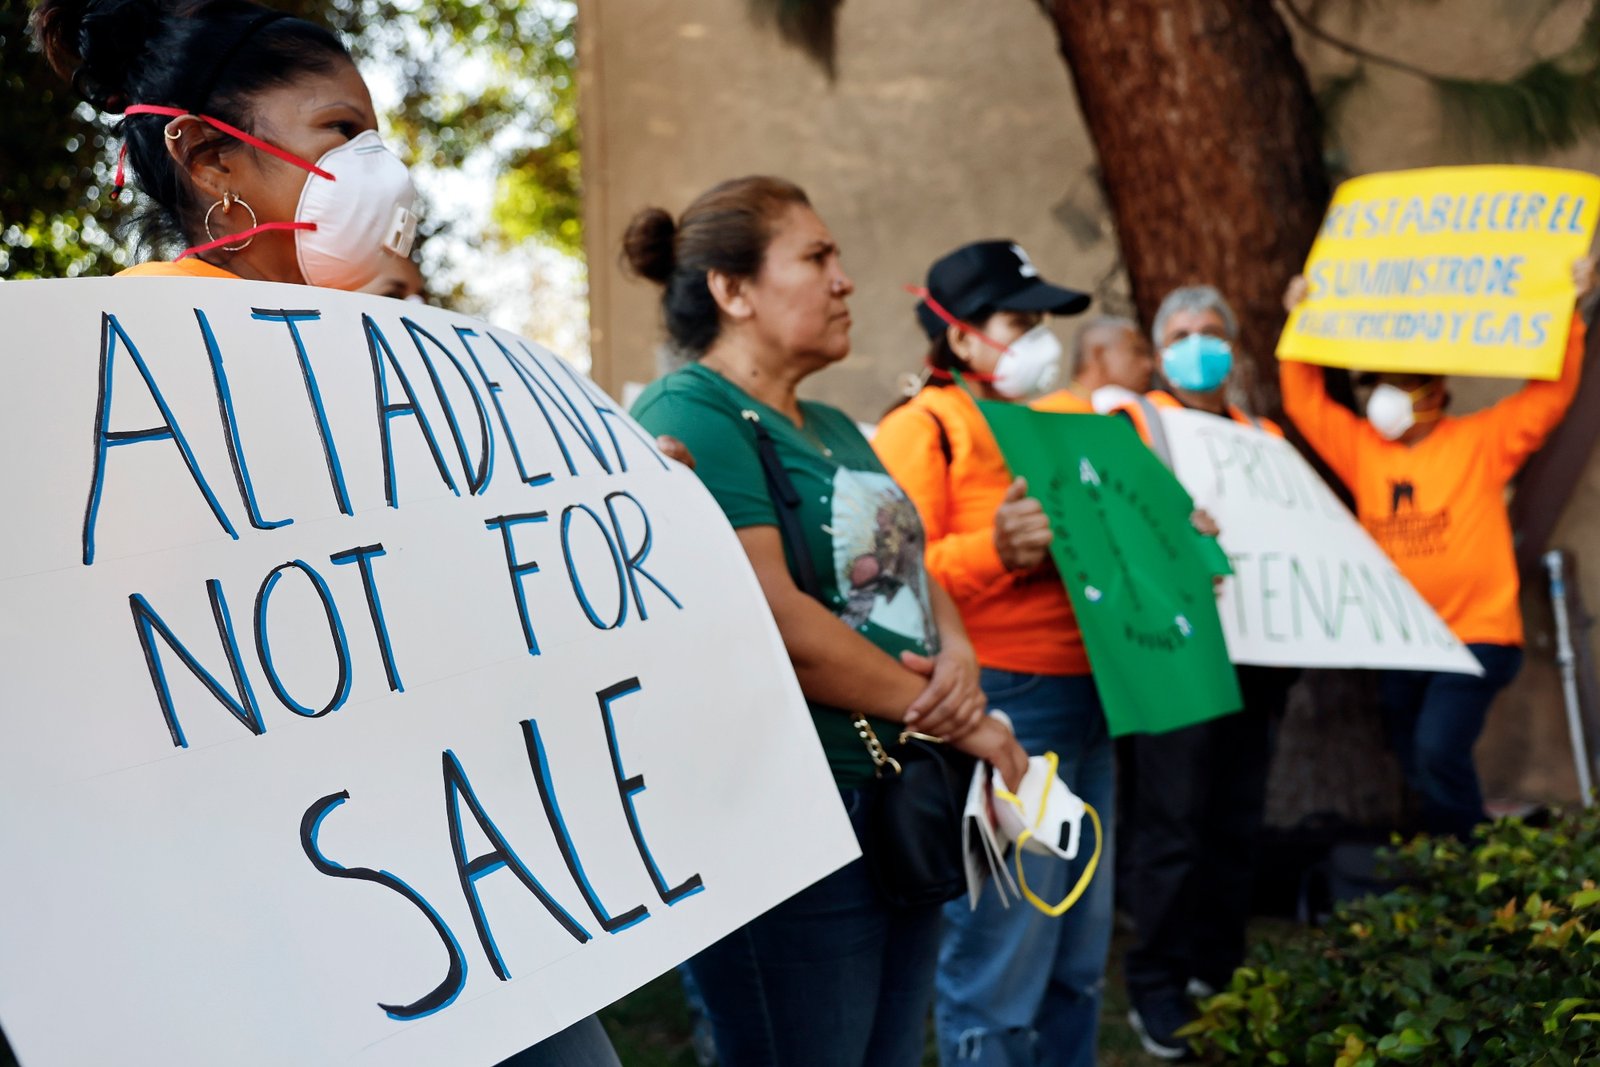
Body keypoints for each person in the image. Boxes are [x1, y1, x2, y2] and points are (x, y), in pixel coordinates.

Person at [32, 4, 629, 1062]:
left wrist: (619, 492)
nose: (380, 169)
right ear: (209, 155)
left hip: (480, 887)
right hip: (301, 925)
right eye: (342, 132)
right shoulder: (127, 362)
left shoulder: (385, 351)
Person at [626, 179, 1028, 1067]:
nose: (845, 280)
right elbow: (775, 622)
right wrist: (963, 718)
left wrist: (958, 650)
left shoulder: (840, 424)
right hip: (791, 810)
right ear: (733, 291)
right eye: (816, 258)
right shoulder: (690, 411)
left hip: (895, 791)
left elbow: (912, 565)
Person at [873, 240, 1114, 1067]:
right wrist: (994, 551)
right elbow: (884, 576)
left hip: (1096, 698)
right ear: (961, 334)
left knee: (1076, 952)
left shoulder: (1073, 417)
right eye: (1020, 320)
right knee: (1004, 955)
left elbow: (1124, 533)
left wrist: (1181, 549)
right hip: (1008, 704)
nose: (1040, 338)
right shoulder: (925, 427)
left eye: (1043, 320)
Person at [1279, 258, 1596, 840]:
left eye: (1397, 384)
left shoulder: (1480, 442)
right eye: (1376, 383)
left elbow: (1549, 398)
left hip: (1477, 635)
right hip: (1404, 641)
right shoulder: (1364, 449)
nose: (1381, 397)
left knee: (1434, 750)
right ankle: (1452, 874)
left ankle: (1476, 868)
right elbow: (1305, 404)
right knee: (1415, 759)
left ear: (1435, 391)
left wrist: (1571, 313)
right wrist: (1299, 323)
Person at [1113, 285, 1298, 1061]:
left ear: (1233, 345)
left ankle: (1216, 970)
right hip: (1176, 656)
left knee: (1233, 818)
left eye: (1211, 332)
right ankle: (1154, 985)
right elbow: (1111, 520)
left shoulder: (1262, 435)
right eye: (1183, 334)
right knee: (1173, 824)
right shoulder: (1134, 424)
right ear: (1159, 355)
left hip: (1256, 655)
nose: (1199, 345)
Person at [1034, 314, 1156, 415]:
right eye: (1137, 352)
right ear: (1099, 354)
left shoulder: (1139, 415)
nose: (1149, 365)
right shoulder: (1048, 414)